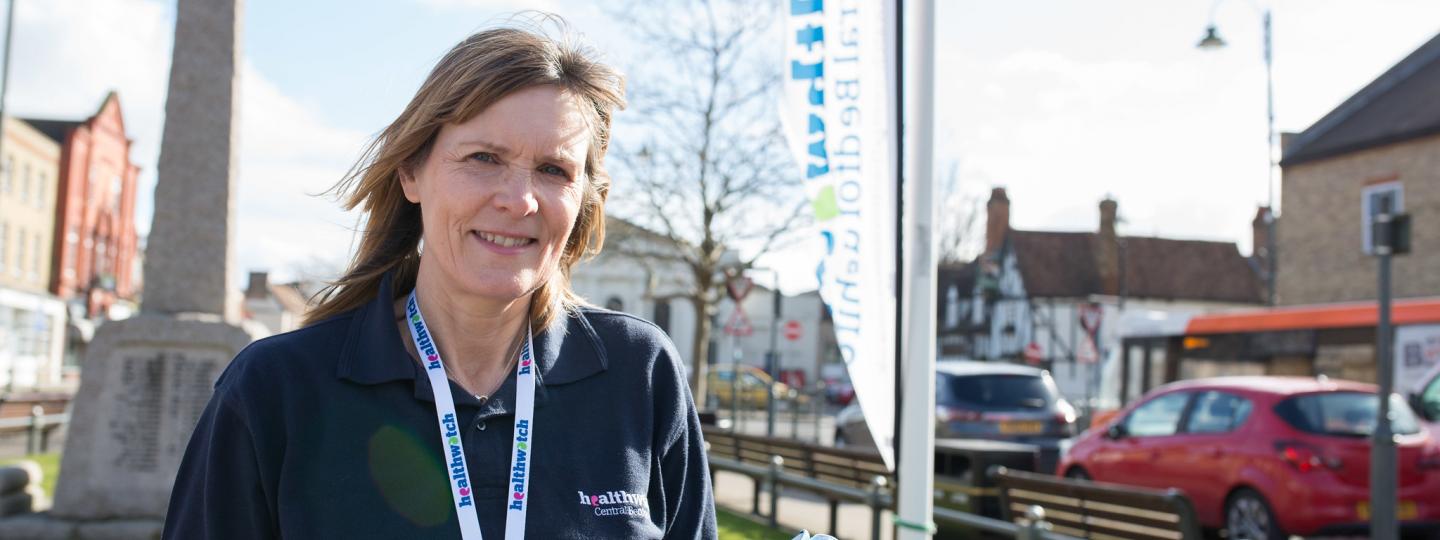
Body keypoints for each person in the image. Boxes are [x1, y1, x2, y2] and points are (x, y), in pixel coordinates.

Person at [163, 20, 718, 539]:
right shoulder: (274, 390)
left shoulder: (639, 373)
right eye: (483, 157)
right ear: (411, 172)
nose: (519, 200)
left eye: (554, 170)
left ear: (583, 200)